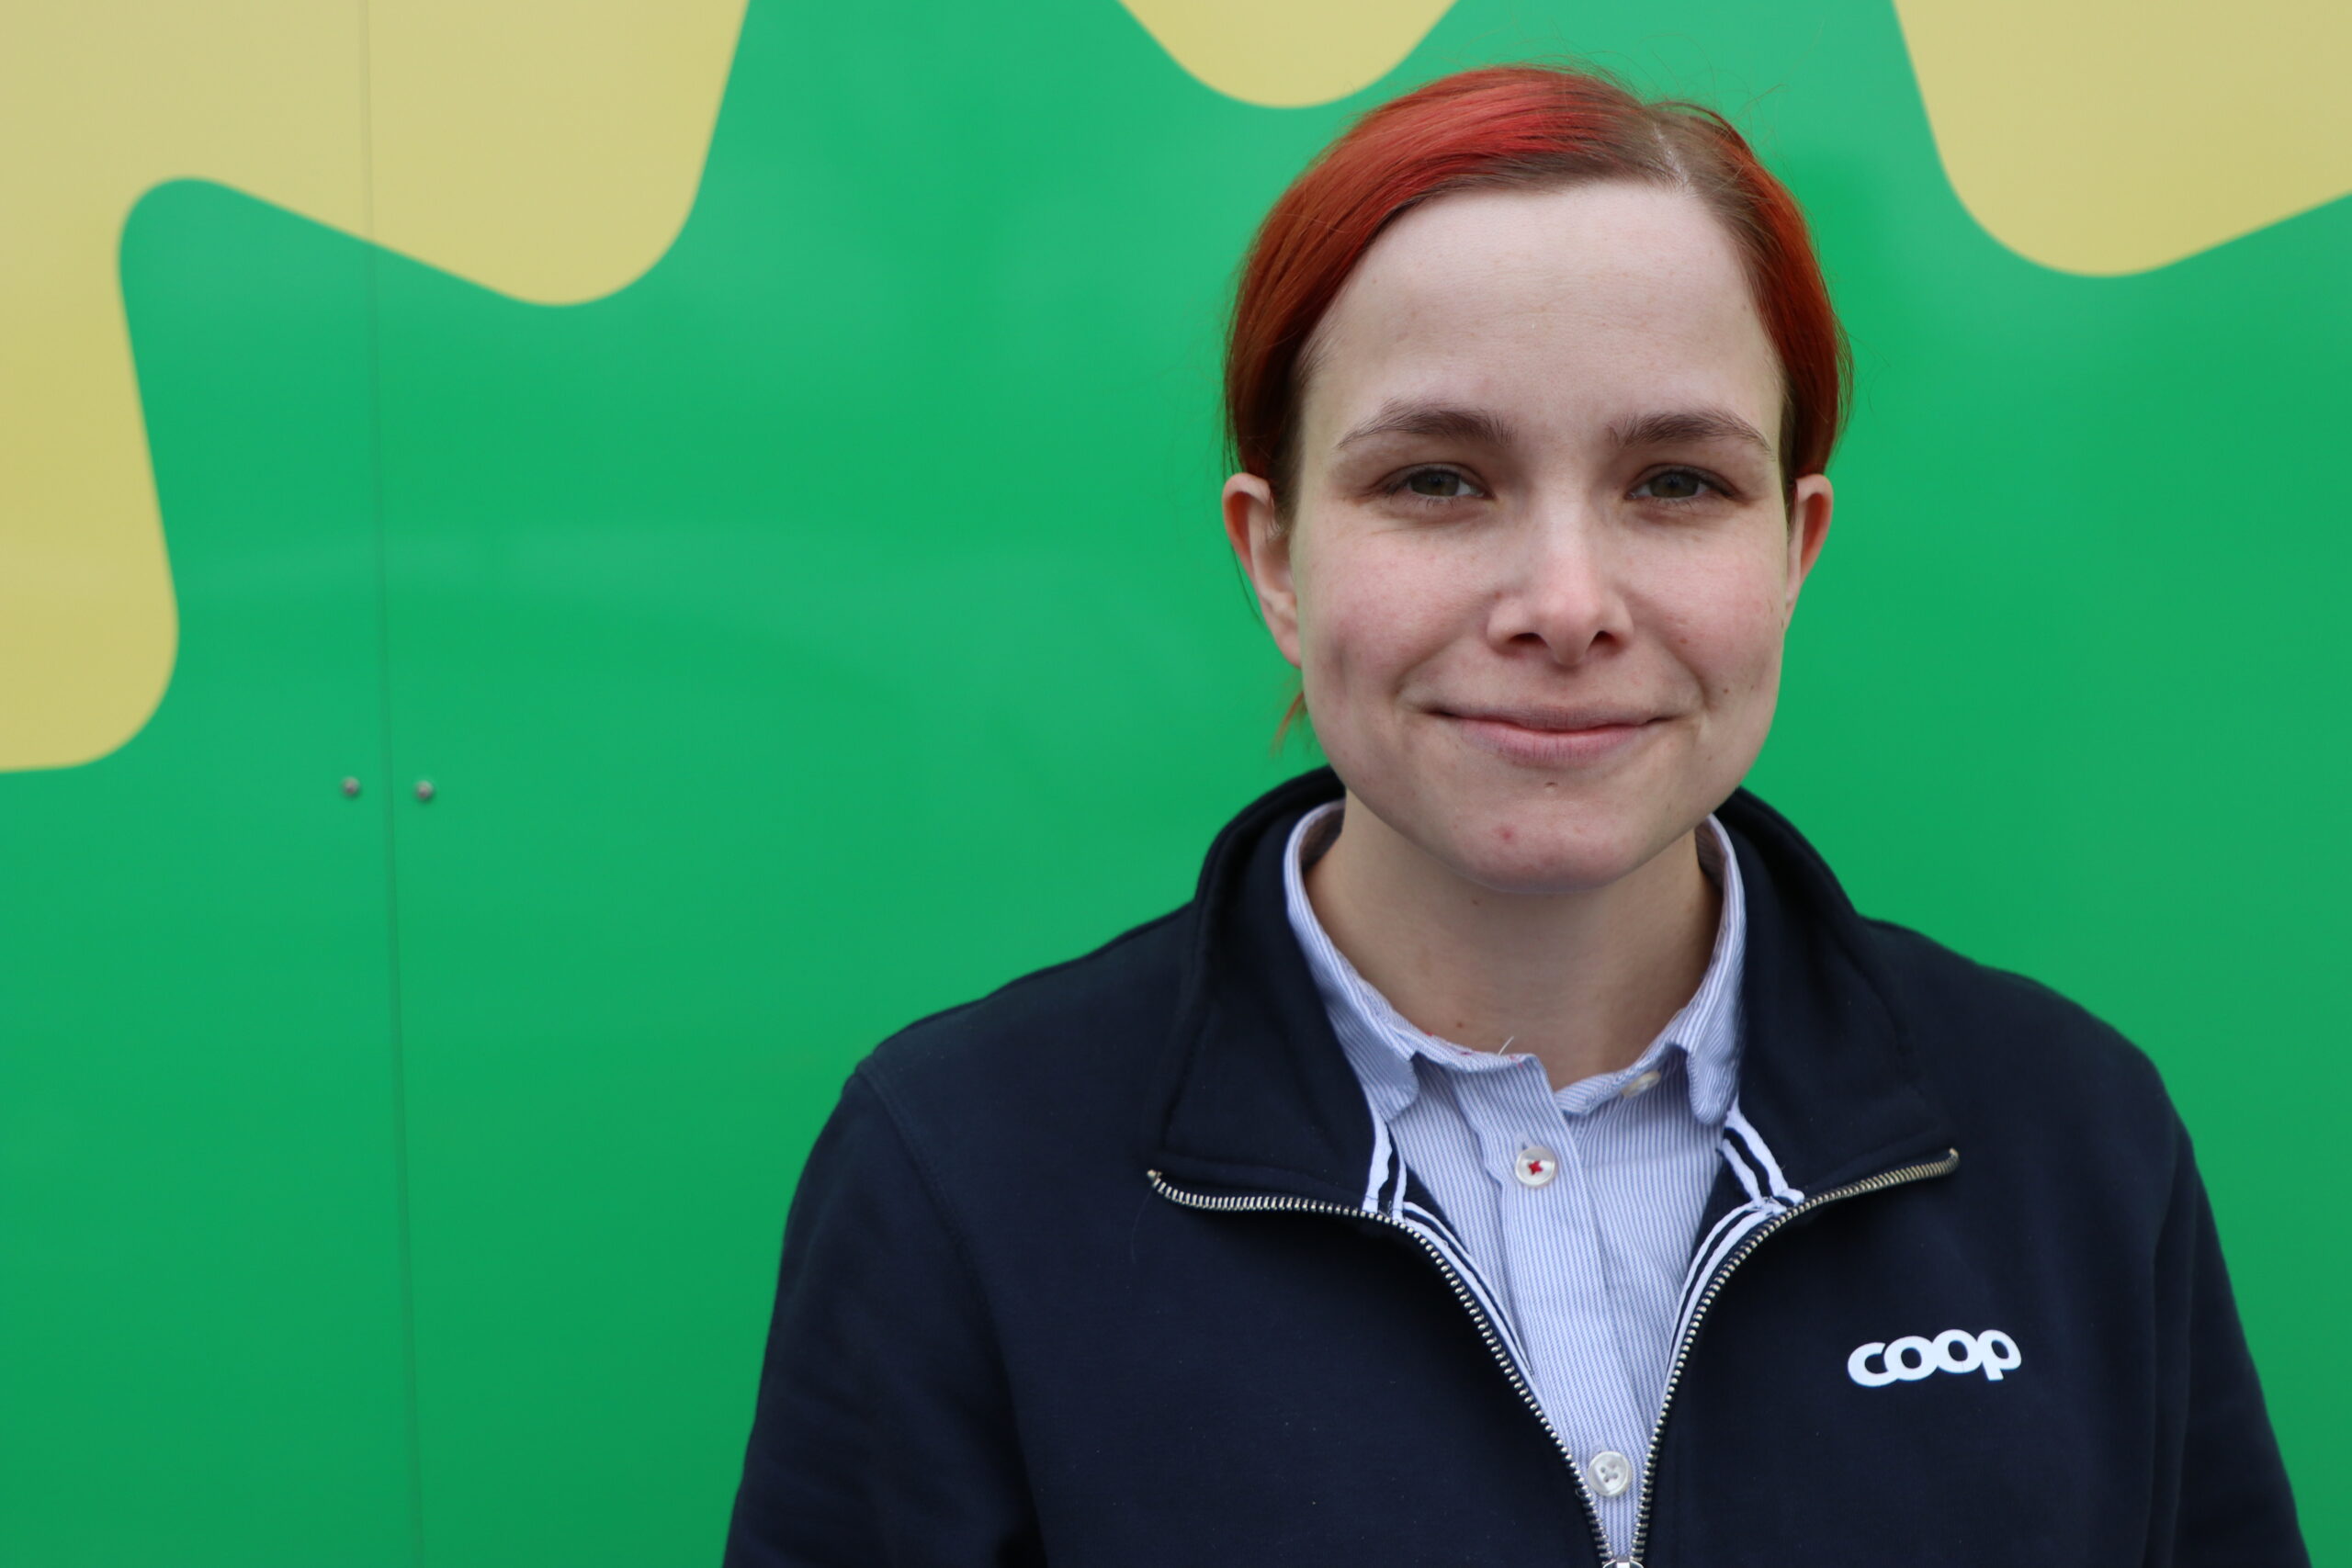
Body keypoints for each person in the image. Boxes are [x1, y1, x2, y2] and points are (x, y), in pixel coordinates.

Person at [721, 63, 2306, 1567]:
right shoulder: (962, 1168)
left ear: (1794, 547)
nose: (1565, 602)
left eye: (1675, 483)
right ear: (1275, 558)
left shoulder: (2069, 1137)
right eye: (1437, 480)